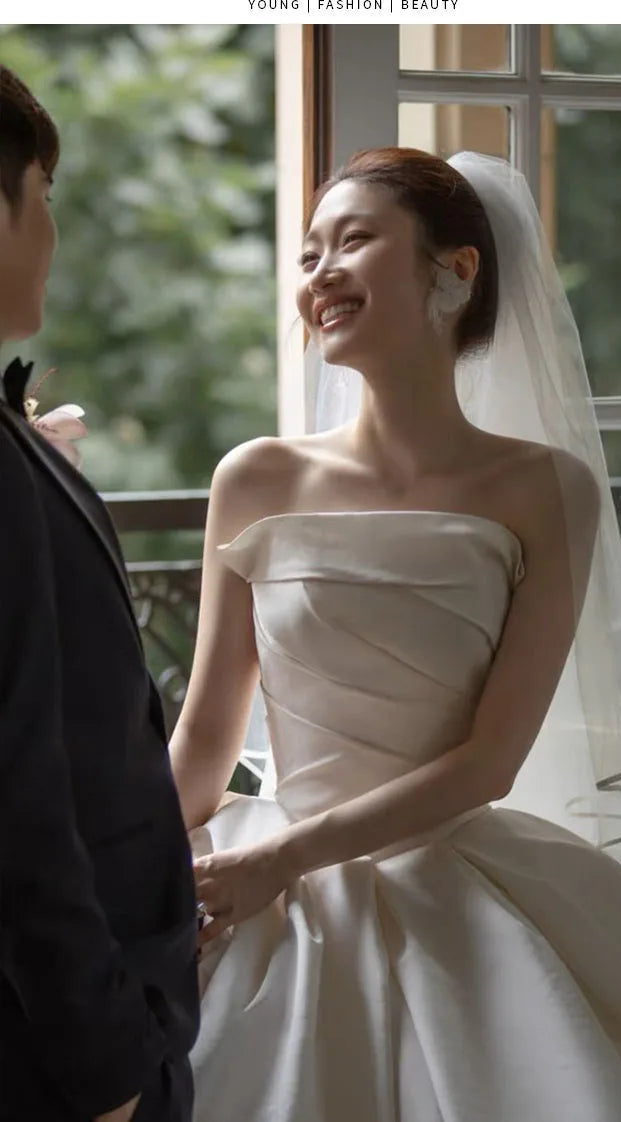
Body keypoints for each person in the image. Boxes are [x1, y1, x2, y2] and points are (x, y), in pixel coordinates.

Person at [171, 146, 621, 1121]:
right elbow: (203, 741)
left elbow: (489, 761)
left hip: (447, 870)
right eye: (308, 254)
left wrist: (287, 859)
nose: (318, 274)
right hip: (263, 884)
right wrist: (121, 870)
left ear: (457, 270)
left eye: (353, 242)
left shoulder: (544, 488)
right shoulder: (255, 476)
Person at [0, 66, 199, 1122]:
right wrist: (107, 1064)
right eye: (46, 196)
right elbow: (16, 794)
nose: (52, 232)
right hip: (54, 1053)